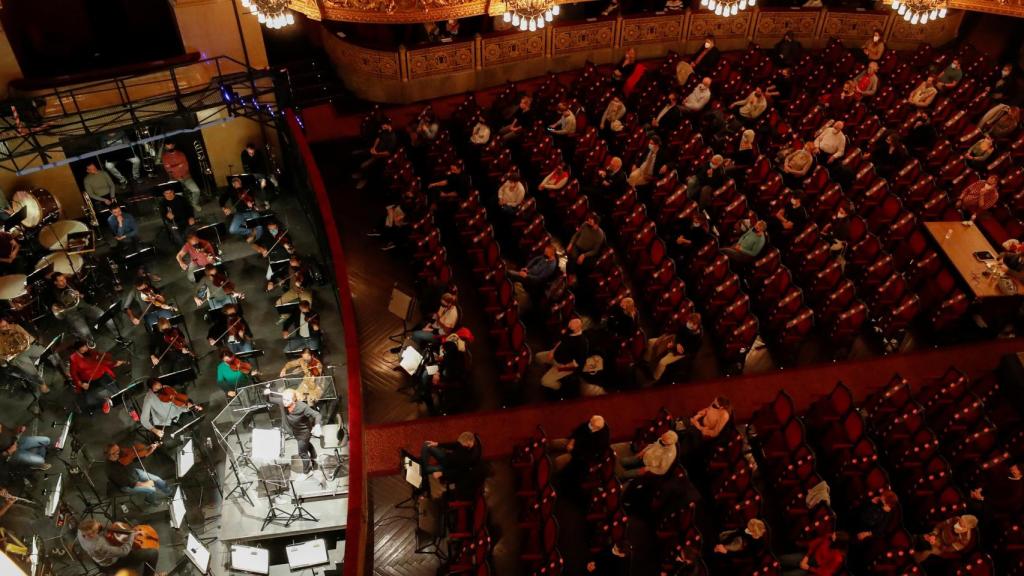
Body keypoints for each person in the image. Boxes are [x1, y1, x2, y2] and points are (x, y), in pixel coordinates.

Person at [264, 388, 322, 473]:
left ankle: (307, 472)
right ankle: (314, 457)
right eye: (283, 399)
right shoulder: (282, 403)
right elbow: (269, 399)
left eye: (287, 400)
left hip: (304, 432)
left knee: (302, 453)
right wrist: (266, 394)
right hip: (294, 431)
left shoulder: (302, 407)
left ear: (294, 400)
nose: (284, 402)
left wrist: (317, 425)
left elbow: (317, 415)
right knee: (306, 444)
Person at [77, 519, 160, 576]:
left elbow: (99, 528)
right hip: (112, 563)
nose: (99, 526)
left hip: (101, 553)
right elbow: (124, 551)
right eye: (97, 529)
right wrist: (131, 535)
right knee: (153, 553)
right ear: (92, 534)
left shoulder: (80, 531)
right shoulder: (99, 545)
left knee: (134, 522)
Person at [49, 273, 115, 345]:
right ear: (55, 282)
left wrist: (80, 295)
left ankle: (117, 334)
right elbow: (55, 308)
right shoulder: (53, 294)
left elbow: (84, 294)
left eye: (64, 279)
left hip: (84, 307)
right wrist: (68, 300)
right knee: (85, 332)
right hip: (73, 314)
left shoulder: (70, 284)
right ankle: (90, 342)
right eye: (61, 280)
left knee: (104, 315)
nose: (64, 281)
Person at [105, 443, 172, 505]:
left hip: (135, 473)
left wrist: (149, 451)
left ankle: (169, 492)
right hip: (127, 486)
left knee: (158, 479)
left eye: (118, 449)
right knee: (152, 489)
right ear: (110, 455)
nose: (120, 452)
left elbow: (134, 458)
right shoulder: (111, 471)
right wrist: (145, 484)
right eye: (116, 452)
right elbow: (129, 483)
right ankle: (149, 501)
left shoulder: (121, 454)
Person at [0, 316, 54, 392]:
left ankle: (63, 370)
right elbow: (2, 355)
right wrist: (4, 361)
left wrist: (26, 338)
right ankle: (42, 384)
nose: (7, 327)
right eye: (3, 327)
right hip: (17, 356)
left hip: (28, 347)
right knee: (30, 368)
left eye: (7, 324)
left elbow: (28, 337)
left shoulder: (15, 326)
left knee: (48, 352)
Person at [418, 431, 481, 496]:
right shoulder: (465, 444)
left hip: (447, 469)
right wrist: (437, 444)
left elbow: (458, 472)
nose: (460, 446)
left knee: (422, 469)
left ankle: (423, 484)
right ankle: (423, 475)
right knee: (427, 444)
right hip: (447, 458)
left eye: (461, 445)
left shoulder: (469, 459)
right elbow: (455, 445)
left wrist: (442, 473)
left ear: (469, 443)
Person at [69, 340, 125, 412]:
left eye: (86, 347)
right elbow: (73, 374)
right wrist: (81, 384)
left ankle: (113, 400)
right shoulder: (73, 358)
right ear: (78, 350)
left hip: (101, 374)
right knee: (91, 400)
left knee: (117, 391)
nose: (86, 349)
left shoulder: (90, 351)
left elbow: (102, 358)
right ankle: (105, 401)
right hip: (89, 380)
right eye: (83, 349)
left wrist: (113, 362)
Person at [535, 318, 588, 391]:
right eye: (570, 323)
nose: (569, 325)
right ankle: (550, 369)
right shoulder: (569, 331)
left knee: (545, 382)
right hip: (555, 356)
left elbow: (579, 362)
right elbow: (561, 341)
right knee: (538, 356)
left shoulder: (582, 343)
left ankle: (560, 388)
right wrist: (552, 351)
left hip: (563, 365)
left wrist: (564, 366)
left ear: (579, 327)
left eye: (572, 324)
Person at [418, 333, 466, 413]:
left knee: (425, 382)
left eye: (444, 351)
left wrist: (437, 379)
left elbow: (449, 379)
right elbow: (443, 364)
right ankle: (424, 391)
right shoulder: (456, 355)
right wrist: (437, 372)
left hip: (447, 381)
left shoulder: (451, 367)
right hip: (443, 374)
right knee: (426, 373)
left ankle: (431, 407)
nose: (443, 351)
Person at [914, 514, 978, 563]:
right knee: (919, 537)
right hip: (937, 535)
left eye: (961, 524)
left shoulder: (965, 539)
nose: (957, 524)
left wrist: (937, 544)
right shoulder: (956, 519)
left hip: (942, 547)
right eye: (959, 521)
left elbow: (949, 549)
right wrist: (934, 533)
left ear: (967, 528)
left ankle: (912, 561)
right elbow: (941, 525)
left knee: (926, 552)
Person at [354, 119, 397, 190]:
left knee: (364, 165)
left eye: (384, 126)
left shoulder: (393, 137)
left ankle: (364, 179)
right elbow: (378, 138)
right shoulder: (384, 131)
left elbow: (388, 153)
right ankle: (361, 173)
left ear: (389, 125)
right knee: (357, 153)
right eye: (382, 127)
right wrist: (373, 148)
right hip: (375, 151)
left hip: (380, 156)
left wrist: (377, 153)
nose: (382, 128)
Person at [779, 531, 848, 575]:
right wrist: (807, 557)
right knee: (783, 559)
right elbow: (815, 544)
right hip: (809, 557)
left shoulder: (838, 558)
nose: (833, 535)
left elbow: (825, 572)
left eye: (835, 536)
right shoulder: (829, 537)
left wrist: (808, 568)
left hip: (813, 569)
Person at [161, 141, 202, 212]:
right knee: (178, 196)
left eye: (171, 145)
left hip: (186, 177)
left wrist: (173, 167)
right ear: (165, 147)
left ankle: (194, 203)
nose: (170, 147)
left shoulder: (181, 154)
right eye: (168, 146)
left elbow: (186, 167)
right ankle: (184, 208)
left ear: (174, 145)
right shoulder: (165, 157)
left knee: (196, 190)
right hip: (175, 179)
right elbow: (168, 170)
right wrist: (179, 166)